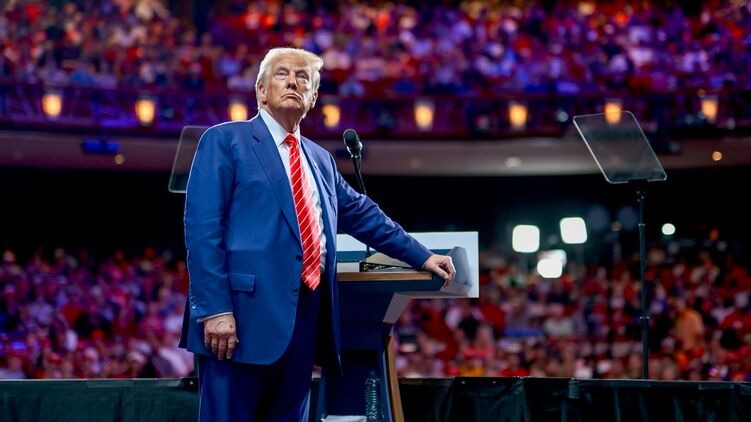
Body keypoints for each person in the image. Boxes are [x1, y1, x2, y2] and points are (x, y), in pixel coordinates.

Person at [179, 47, 456, 422]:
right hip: (240, 318)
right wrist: (215, 309)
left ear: (312, 98)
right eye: (281, 74)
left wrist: (421, 256)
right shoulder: (225, 140)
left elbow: (363, 214)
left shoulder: (320, 159)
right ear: (261, 91)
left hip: (307, 316)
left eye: (303, 78)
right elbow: (203, 231)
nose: (292, 82)